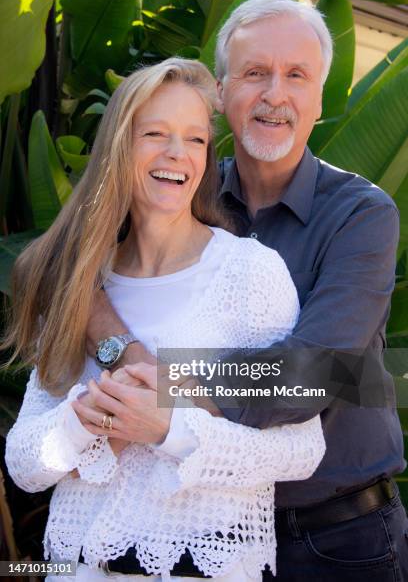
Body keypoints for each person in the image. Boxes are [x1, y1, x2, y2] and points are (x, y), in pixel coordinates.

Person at [85, 0, 408, 582]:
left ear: (318, 98)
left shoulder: (362, 216)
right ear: (224, 92)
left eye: (296, 76)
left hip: (335, 538)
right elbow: (78, 278)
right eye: (255, 73)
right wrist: (120, 347)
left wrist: (162, 377)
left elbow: (313, 374)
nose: (274, 95)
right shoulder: (177, 188)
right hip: (207, 535)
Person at [3, 58, 326, 582]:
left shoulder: (250, 272)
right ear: (119, 147)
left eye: (195, 139)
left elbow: (301, 447)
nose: (177, 153)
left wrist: (168, 428)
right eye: (155, 133)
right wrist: (84, 421)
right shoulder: (80, 284)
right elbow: (24, 464)